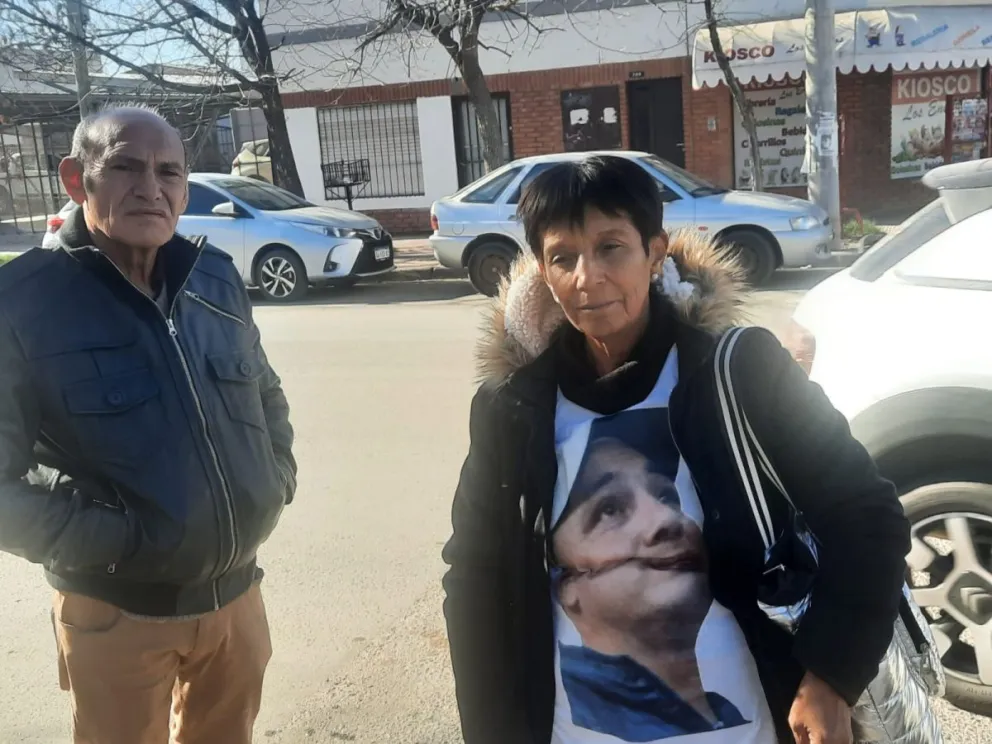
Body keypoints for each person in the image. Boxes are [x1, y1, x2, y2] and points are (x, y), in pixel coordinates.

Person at [442, 155, 911, 744]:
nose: (588, 278)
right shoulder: (513, 409)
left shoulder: (739, 372)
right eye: (564, 258)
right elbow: (475, 577)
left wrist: (832, 674)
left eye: (612, 247)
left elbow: (866, 515)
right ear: (543, 270)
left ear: (655, 252)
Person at [0, 105, 296, 744]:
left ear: (187, 189)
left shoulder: (213, 276)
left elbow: (265, 393)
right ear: (78, 180)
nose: (151, 188)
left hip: (237, 598)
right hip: (116, 613)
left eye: (169, 172)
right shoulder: (23, 302)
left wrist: (275, 480)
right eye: (126, 167)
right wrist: (113, 541)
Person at [552, 410, 748, 741]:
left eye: (667, 495)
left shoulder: (733, 709)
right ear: (565, 586)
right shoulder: (579, 717)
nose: (667, 520)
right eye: (610, 509)